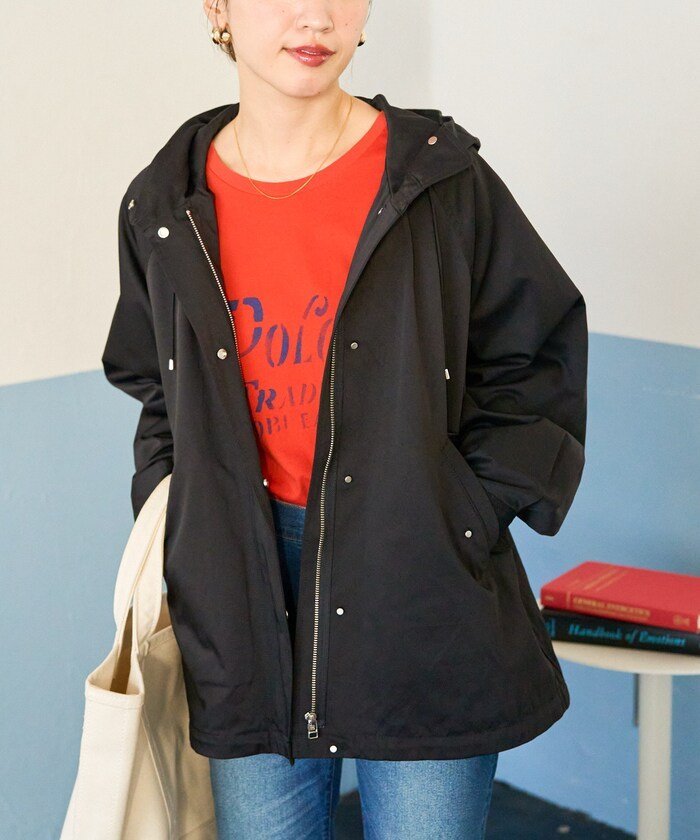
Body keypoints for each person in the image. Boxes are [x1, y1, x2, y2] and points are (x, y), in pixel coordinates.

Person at [101, 0, 588, 837]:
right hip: (240, 594)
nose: (315, 15)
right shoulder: (164, 201)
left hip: (418, 579)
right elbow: (154, 382)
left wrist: (463, 511)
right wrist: (180, 516)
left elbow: (534, 352)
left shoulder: (438, 179)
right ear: (218, 8)